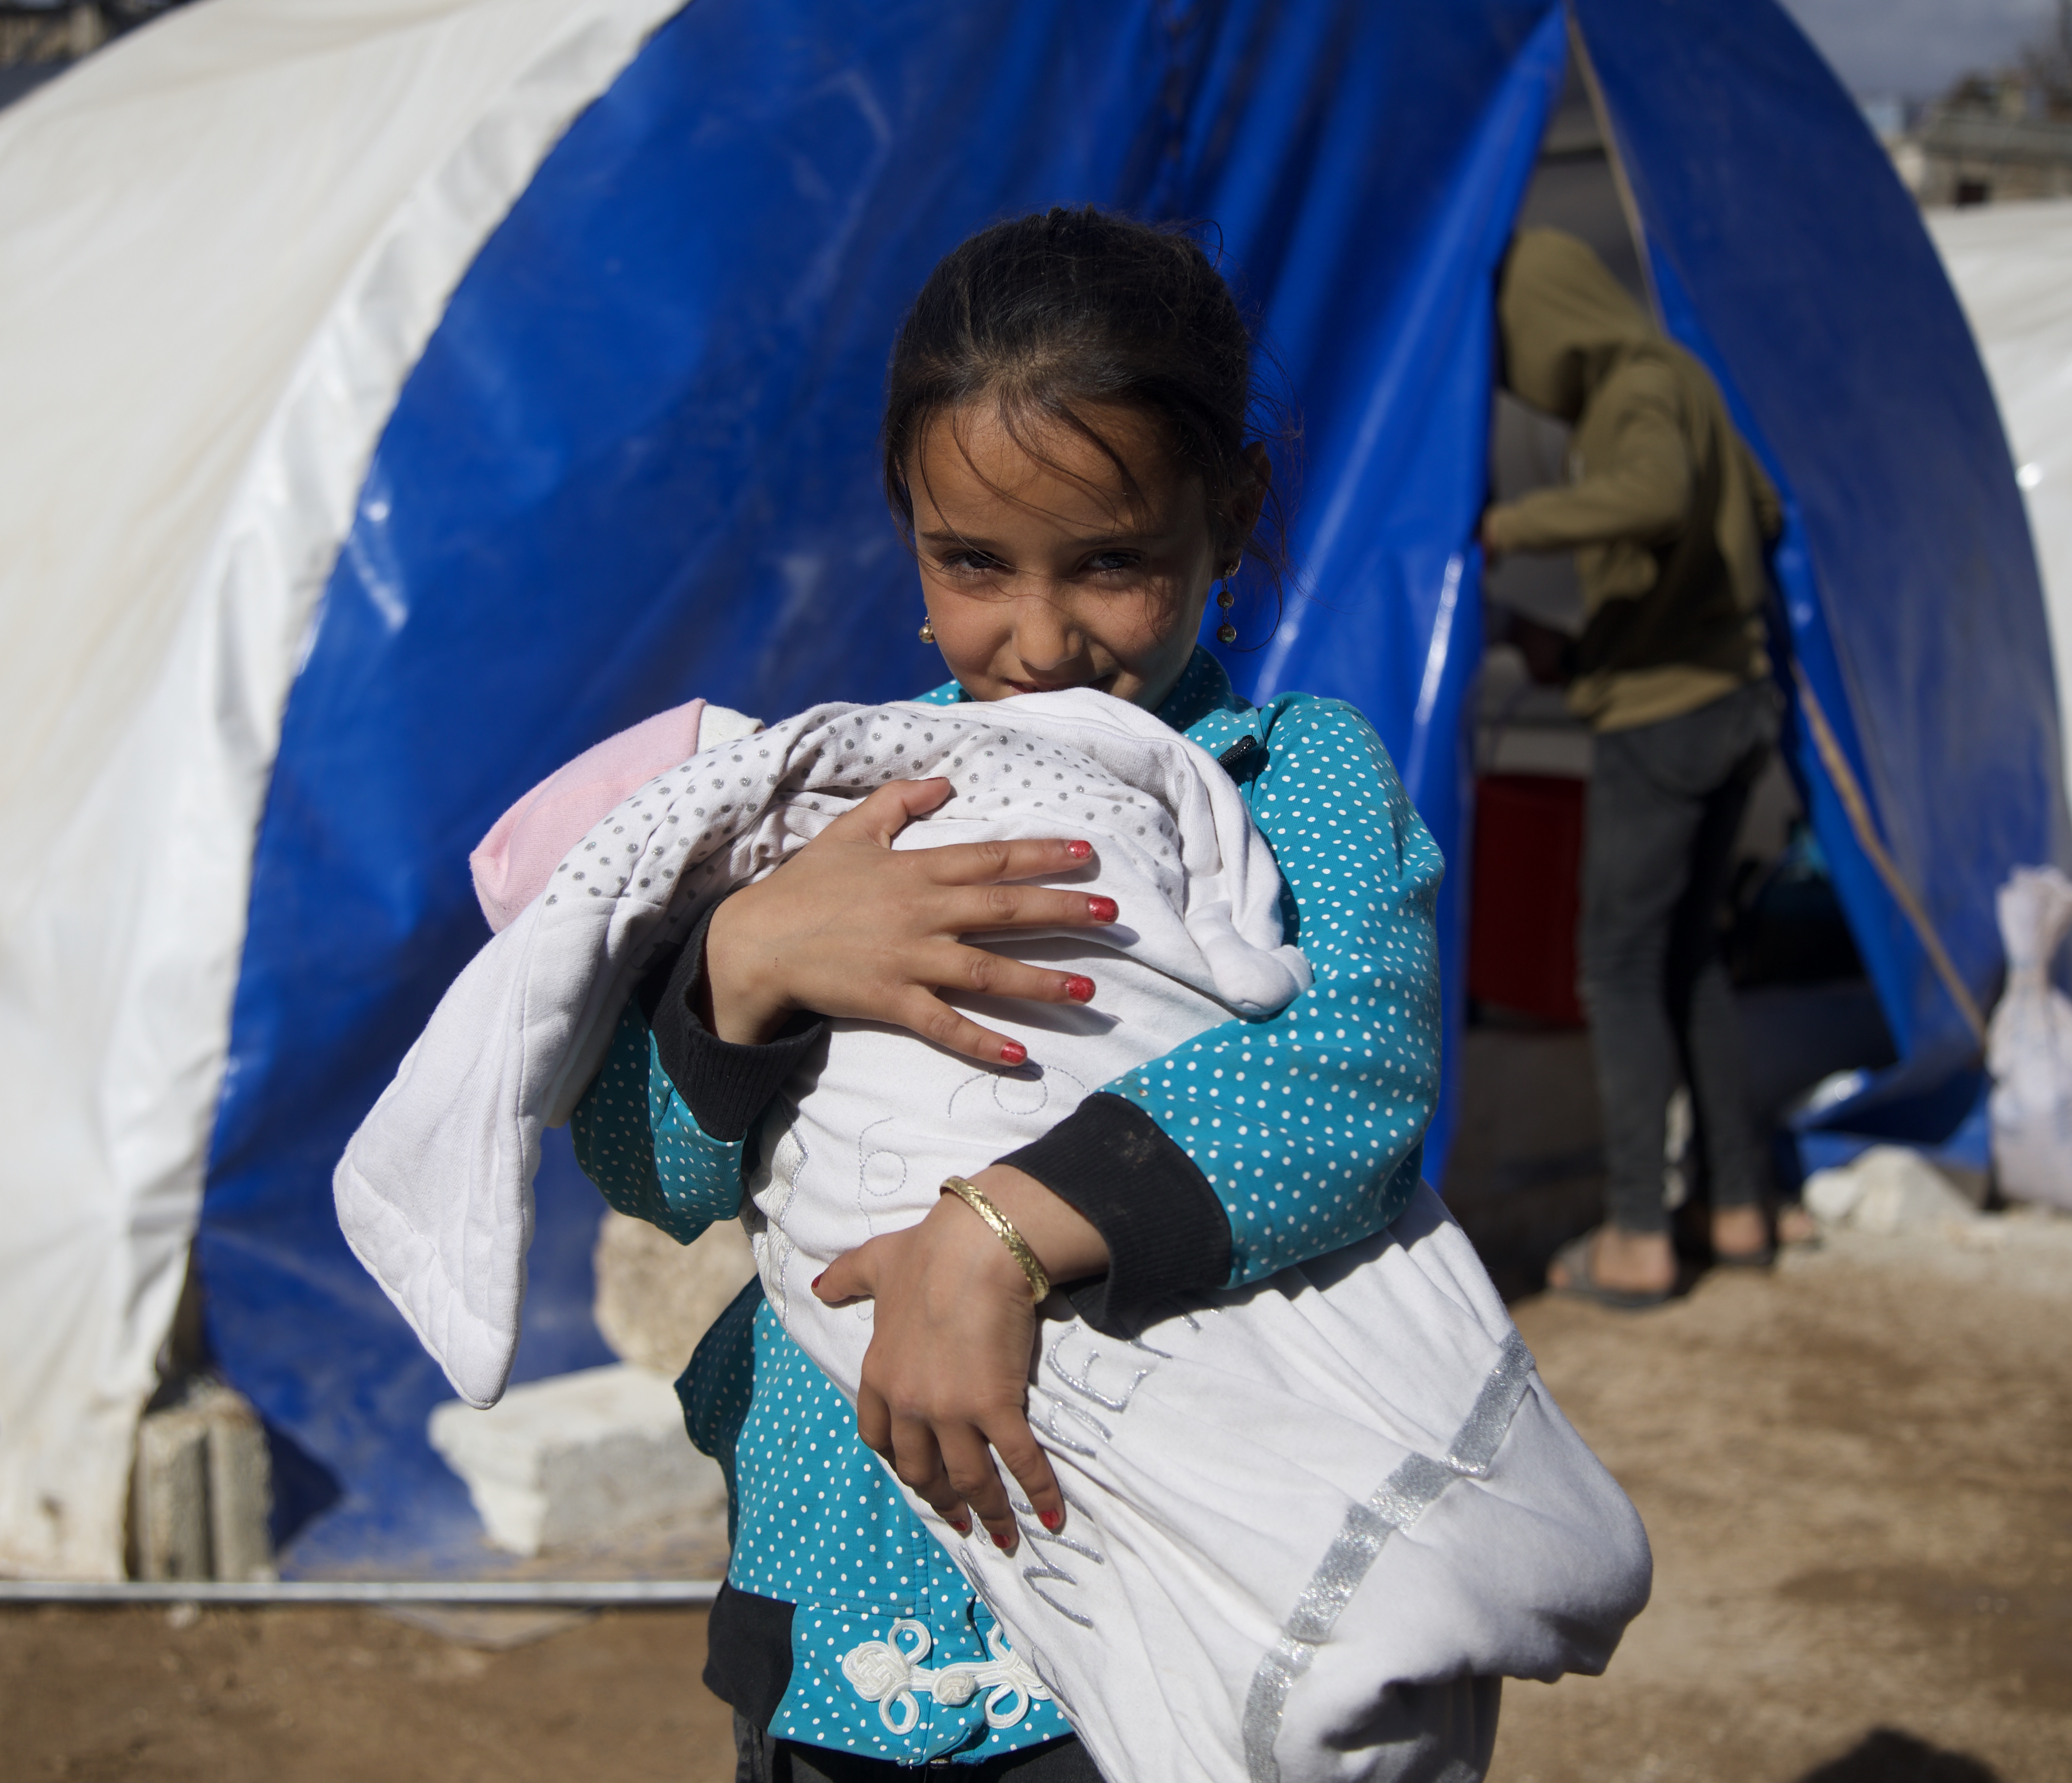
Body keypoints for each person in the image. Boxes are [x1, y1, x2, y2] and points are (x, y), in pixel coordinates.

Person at [561, 210, 1461, 1779]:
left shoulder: (1288, 783)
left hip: (1141, 1626)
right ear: (906, 520)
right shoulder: (830, 801)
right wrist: (748, 962)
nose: (1038, 641)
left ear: (1231, 511)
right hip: (842, 1602)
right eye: (973, 563)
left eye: (1111, 564)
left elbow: (1353, 1075)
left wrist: (1000, 1235)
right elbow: (652, 1173)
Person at [1477, 228, 1807, 1308]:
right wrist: (1609, 638)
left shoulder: (1633, 385)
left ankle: (1635, 1233)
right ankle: (1737, 1204)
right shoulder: (1688, 377)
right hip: (1730, 704)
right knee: (1688, 961)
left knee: (1615, 966)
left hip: (1665, 724)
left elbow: (1659, 498)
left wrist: (1507, 526)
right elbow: (1751, 510)